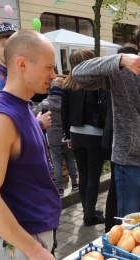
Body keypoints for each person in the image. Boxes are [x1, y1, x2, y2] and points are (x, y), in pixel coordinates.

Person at [0, 29, 61, 260]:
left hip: (34, 240)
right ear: (22, 64)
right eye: (48, 67)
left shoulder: (22, 107)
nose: (53, 75)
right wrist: (34, 251)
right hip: (22, 251)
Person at [72, 18, 140, 220]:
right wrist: (119, 61)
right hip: (130, 163)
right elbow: (79, 75)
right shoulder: (121, 72)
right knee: (128, 222)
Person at [61, 49, 108, 226]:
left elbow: (64, 113)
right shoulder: (95, 82)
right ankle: (89, 215)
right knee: (93, 176)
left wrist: (67, 136)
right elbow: (103, 109)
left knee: (84, 174)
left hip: (75, 134)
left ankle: (88, 210)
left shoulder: (68, 83)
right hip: (94, 134)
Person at [0, 22, 51, 130]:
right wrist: (39, 123)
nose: (12, 50)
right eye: (5, 45)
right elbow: (3, 130)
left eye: (15, 45)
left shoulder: (15, 76)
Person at [104, 43, 137, 233]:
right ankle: (112, 229)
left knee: (115, 191)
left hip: (115, 137)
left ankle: (111, 227)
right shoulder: (115, 75)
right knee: (117, 191)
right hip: (118, 141)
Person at [33, 76, 78, 197]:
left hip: (53, 138)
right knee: (71, 160)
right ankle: (75, 183)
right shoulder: (67, 101)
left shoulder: (46, 103)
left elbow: (33, 113)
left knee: (57, 163)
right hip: (67, 136)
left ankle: (60, 188)